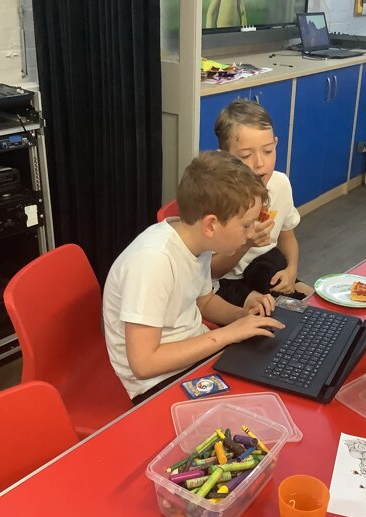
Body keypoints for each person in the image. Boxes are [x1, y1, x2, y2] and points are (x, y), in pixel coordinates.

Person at [103, 151, 284, 402]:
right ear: (211, 225)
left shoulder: (198, 241)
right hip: (158, 382)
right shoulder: (153, 262)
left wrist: (242, 316)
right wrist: (229, 334)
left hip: (195, 351)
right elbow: (144, 364)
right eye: (246, 225)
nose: (251, 232)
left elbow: (204, 302)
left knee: (272, 372)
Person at [211, 99, 314, 307]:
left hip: (264, 268)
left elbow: (287, 236)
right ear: (224, 157)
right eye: (246, 155)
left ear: (275, 144)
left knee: (312, 299)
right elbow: (212, 271)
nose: (260, 163)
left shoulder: (280, 184)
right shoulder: (215, 198)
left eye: (268, 151)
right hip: (225, 281)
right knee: (270, 309)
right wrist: (246, 243)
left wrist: (291, 270)